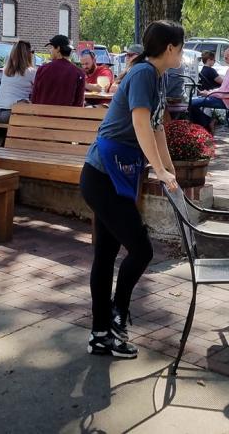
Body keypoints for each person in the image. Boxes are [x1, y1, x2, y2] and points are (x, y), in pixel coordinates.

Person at [81, 20, 184, 359]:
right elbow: (140, 122)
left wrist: (168, 170)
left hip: (115, 175)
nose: (181, 53)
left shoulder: (158, 76)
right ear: (170, 48)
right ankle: (116, 314)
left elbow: (156, 127)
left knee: (107, 255)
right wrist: (157, 168)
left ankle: (101, 334)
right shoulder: (142, 74)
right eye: (180, 47)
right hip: (102, 175)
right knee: (141, 251)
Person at [189, 46, 229, 132]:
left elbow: (227, 92)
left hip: (225, 101)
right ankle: (206, 125)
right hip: (220, 97)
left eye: (226, 56)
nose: (224, 58)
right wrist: (209, 92)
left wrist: (208, 93)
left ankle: (205, 125)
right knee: (190, 101)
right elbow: (223, 89)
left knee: (190, 102)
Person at [31, 34, 85, 107]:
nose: (50, 50)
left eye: (52, 47)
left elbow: (34, 98)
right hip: (66, 117)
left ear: (58, 49)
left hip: (42, 116)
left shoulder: (42, 69)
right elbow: (79, 103)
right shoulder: (79, 73)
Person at [0, 40, 35, 124]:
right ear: (27, 54)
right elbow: (37, 90)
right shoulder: (30, 72)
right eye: (32, 52)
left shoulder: (6, 71)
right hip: (12, 113)